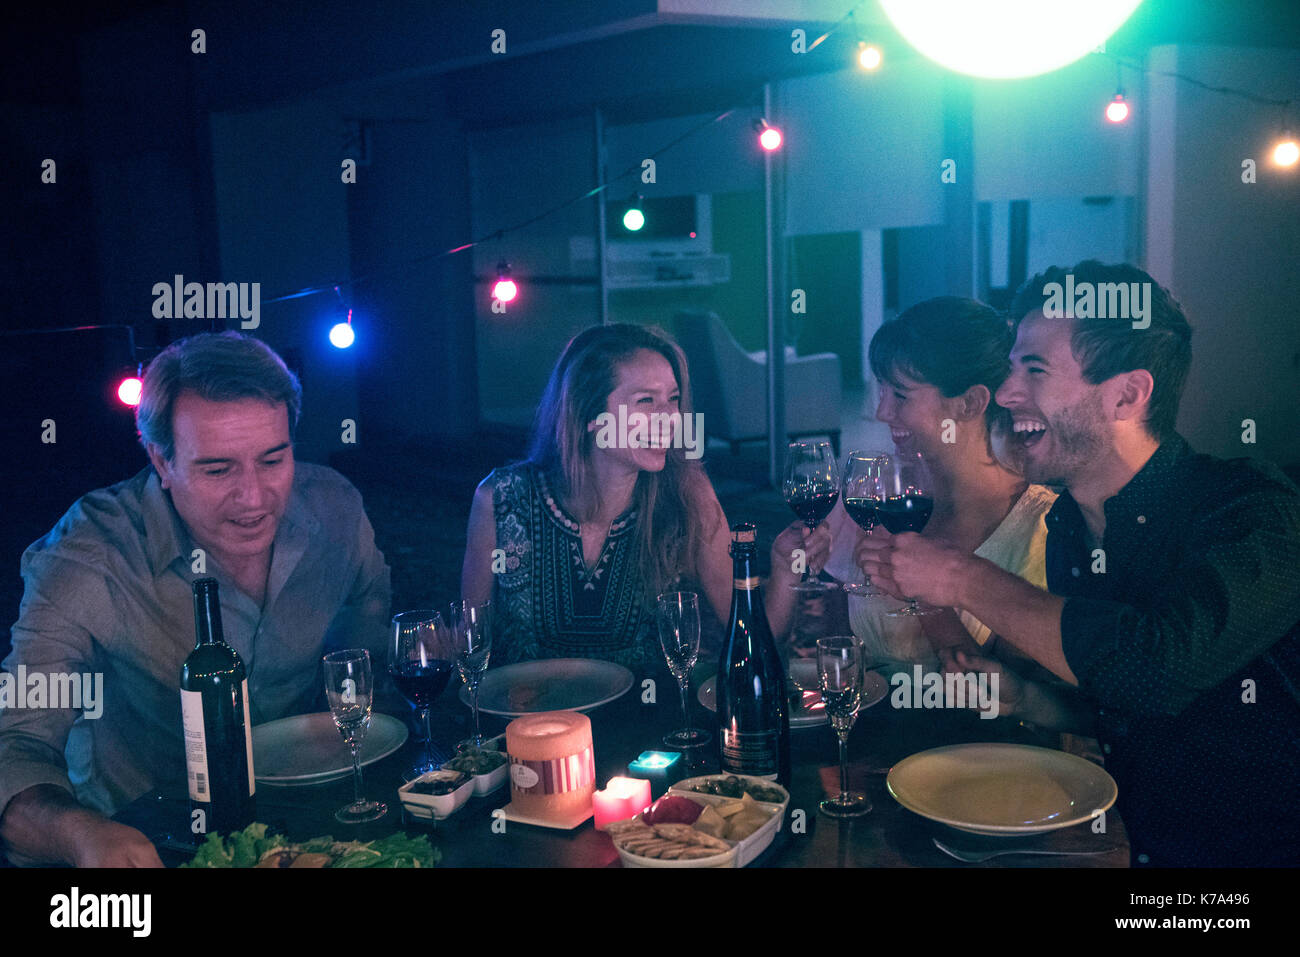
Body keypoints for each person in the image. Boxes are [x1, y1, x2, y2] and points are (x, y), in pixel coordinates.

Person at [860, 261, 1300, 866]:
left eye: (1034, 369)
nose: (1008, 392)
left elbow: (1156, 668)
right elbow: (1123, 710)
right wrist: (1030, 700)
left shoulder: (1254, 514)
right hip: (1134, 845)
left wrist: (958, 576)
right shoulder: (1071, 526)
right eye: (1012, 365)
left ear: (1127, 394)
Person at [0, 332, 391, 867]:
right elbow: (15, 747)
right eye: (218, 470)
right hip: (153, 845)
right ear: (161, 462)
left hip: (313, 823)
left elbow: (372, 621)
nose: (253, 498)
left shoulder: (336, 509)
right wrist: (79, 834)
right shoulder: (87, 557)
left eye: (273, 460)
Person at [766, 298, 1062, 689]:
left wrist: (922, 596)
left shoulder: (1042, 531)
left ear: (970, 402)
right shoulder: (869, 497)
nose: (882, 411)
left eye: (901, 395)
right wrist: (786, 573)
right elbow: (827, 652)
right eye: (881, 389)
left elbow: (1004, 704)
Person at [462, 323, 731, 672]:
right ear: (590, 414)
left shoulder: (687, 492)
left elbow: (749, 629)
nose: (670, 420)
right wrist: (450, 647)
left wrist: (786, 571)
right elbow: (471, 648)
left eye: (673, 400)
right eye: (646, 401)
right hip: (526, 720)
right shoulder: (499, 499)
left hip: (646, 719)